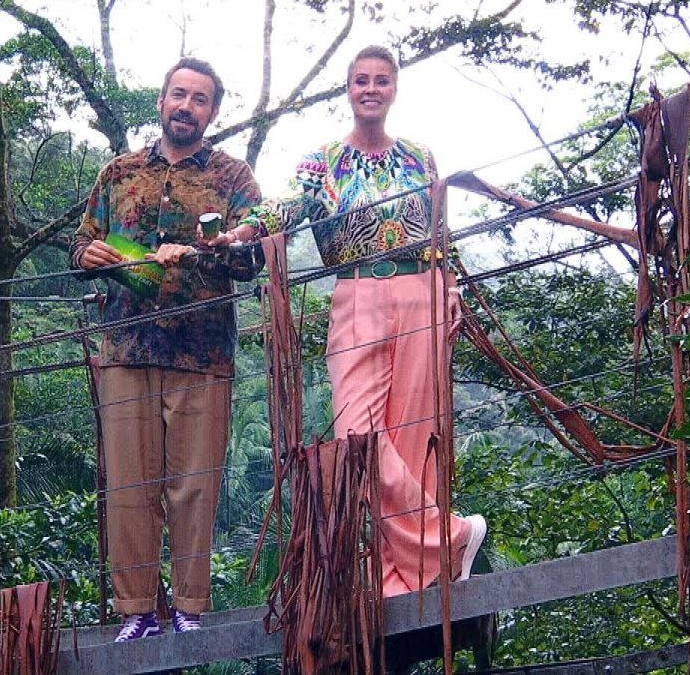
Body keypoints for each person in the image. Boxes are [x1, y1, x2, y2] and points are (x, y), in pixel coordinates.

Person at [210, 45, 486, 597]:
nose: (371, 89)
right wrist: (243, 233)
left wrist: (452, 283)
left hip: (420, 290)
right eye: (361, 80)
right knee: (355, 433)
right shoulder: (324, 162)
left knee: (414, 433)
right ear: (348, 89)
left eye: (381, 81)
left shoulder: (419, 156)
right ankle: (450, 538)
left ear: (394, 89)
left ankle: (403, 574)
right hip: (356, 292)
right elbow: (286, 208)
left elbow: (438, 226)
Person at [70, 57, 263, 642]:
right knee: (130, 485)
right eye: (178, 94)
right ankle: (136, 613)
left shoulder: (233, 179)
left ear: (213, 111)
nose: (186, 106)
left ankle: (188, 608)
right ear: (161, 101)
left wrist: (208, 248)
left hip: (202, 353)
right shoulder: (119, 173)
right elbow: (80, 247)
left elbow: (253, 259)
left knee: (194, 486)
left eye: (199, 99)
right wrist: (90, 257)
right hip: (126, 347)